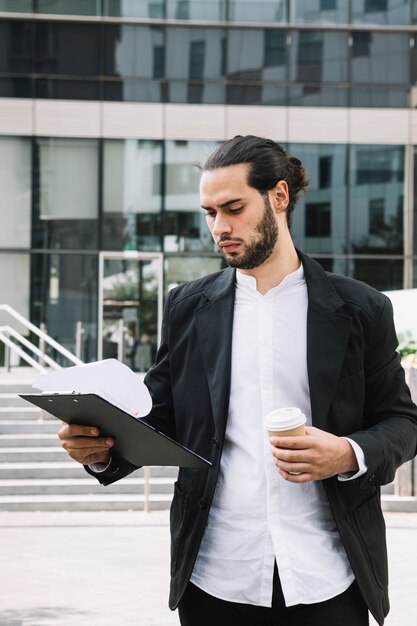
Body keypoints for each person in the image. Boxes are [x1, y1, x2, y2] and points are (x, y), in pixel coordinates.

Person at [58, 135, 417, 626]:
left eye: (233, 208)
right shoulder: (187, 306)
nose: (219, 227)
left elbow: (402, 420)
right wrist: (98, 446)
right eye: (209, 212)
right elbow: (158, 415)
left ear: (279, 196)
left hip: (329, 575)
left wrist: (346, 454)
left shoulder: (361, 309)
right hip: (215, 578)